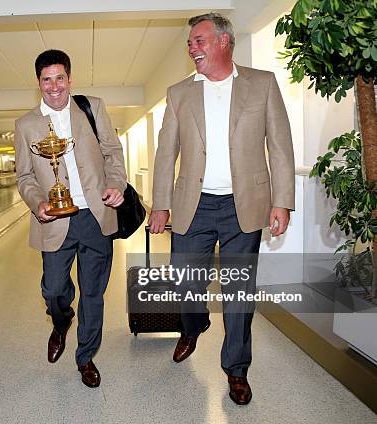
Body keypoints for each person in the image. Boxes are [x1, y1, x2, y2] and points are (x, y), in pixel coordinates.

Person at [149, 13, 295, 405]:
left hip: (242, 206)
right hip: (192, 207)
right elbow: (166, 154)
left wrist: (282, 200)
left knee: (239, 292)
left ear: (224, 42)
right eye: (190, 43)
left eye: (200, 41)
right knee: (184, 281)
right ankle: (193, 325)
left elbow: (279, 145)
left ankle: (236, 369)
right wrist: (160, 205)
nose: (192, 48)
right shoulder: (179, 93)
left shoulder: (261, 84)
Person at [15, 49, 127, 388]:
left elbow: (112, 152)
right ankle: (61, 323)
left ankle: (86, 357)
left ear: (69, 79)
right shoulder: (26, 125)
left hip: (95, 216)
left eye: (59, 78)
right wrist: (37, 204)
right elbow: (24, 177)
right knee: (54, 289)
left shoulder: (92, 107)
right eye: (46, 80)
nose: (53, 86)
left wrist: (116, 184)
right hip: (54, 221)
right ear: (38, 82)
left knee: (93, 293)